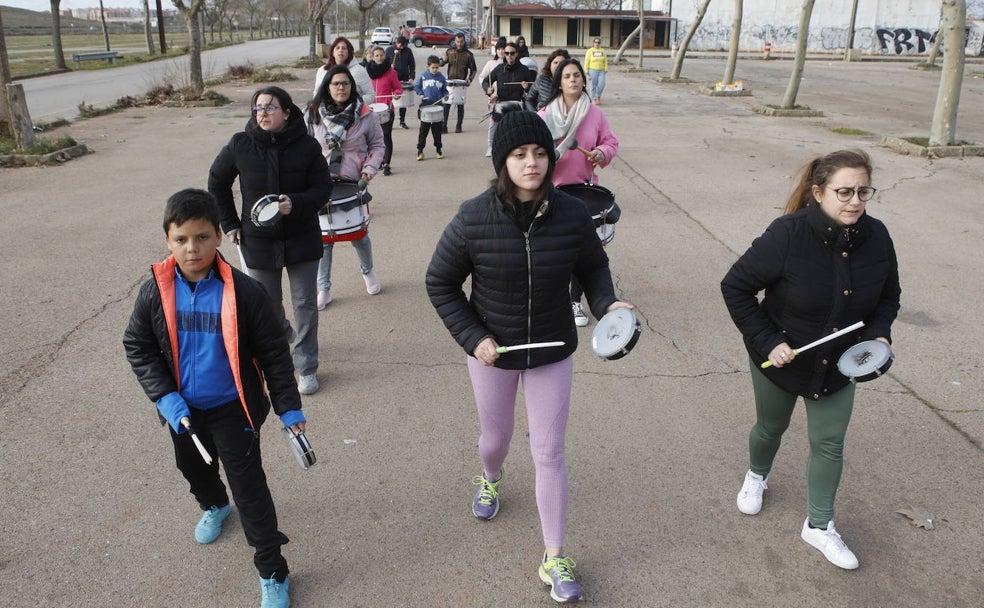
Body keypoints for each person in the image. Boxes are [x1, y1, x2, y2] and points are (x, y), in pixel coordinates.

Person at [425, 110, 634, 604]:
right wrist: (474, 337)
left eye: (540, 153)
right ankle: (491, 477)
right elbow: (440, 282)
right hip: (491, 353)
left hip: (551, 350)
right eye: (519, 155)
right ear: (503, 161)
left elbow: (593, 270)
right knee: (494, 439)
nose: (532, 163)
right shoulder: (473, 215)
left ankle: (554, 554)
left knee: (548, 452)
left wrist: (608, 305)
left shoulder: (571, 214)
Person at [123, 188, 307, 608]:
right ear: (168, 240)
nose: (193, 248)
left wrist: (289, 408)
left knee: (250, 489)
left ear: (220, 236)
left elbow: (275, 354)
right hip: (182, 411)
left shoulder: (244, 292)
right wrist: (166, 399)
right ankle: (214, 503)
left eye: (202, 237)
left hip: (233, 410)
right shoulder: (154, 289)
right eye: (182, 239)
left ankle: (273, 570)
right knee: (191, 466)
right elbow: (138, 345)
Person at [721, 149, 901, 570]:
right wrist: (768, 341)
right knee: (771, 427)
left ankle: (819, 526)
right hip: (781, 358)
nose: (854, 201)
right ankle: (757, 475)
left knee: (829, 443)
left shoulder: (878, 236)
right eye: (844, 191)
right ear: (818, 192)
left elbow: (888, 296)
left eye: (863, 191)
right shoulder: (787, 234)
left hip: (840, 364)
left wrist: (878, 335)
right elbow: (736, 287)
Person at [208, 86, 331, 395]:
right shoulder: (241, 144)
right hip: (258, 241)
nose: (262, 113)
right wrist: (231, 224)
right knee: (266, 306)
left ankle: (305, 367)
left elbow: (322, 188)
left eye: (270, 107)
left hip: (302, 237)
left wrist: (297, 203)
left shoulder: (307, 146)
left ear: (287, 112)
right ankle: (284, 336)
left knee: (304, 304)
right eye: (257, 108)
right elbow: (217, 182)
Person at [539, 58, 619, 327]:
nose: (572, 79)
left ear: (584, 80)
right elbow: (533, 150)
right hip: (552, 192)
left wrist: (601, 152)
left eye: (576, 75)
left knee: (581, 252)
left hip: (584, 191)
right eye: (567, 76)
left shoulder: (595, 114)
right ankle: (554, 297)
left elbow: (610, 142)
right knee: (555, 252)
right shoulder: (544, 114)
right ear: (559, 83)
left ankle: (574, 301)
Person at [306, 65, 385, 307]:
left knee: (359, 235)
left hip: (353, 182)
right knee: (323, 241)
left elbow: (378, 145)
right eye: (336, 83)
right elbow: (302, 146)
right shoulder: (312, 114)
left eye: (345, 83)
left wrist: (368, 170)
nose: (341, 87)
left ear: (352, 87)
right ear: (327, 87)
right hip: (320, 185)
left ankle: (368, 272)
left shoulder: (366, 114)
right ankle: (323, 289)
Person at [483, 42, 535, 157]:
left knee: (520, 126)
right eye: (507, 53)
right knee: (494, 122)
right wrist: (488, 89)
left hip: (518, 102)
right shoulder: (499, 68)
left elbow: (532, 89)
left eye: (512, 53)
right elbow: (486, 81)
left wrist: (527, 87)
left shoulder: (524, 70)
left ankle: (518, 147)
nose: (509, 56)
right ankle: (491, 147)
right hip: (501, 101)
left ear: (516, 54)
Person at [366, 45, 402, 176]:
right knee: (373, 138)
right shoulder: (367, 71)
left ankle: (387, 164)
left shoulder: (391, 72)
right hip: (370, 110)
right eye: (376, 55)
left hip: (386, 108)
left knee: (386, 136)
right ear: (372, 57)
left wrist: (397, 93)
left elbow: (398, 88)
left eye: (381, 55)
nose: (379, 58)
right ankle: (378, 161)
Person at [315, 36, 374, 105]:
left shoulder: (359, 71)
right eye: (337, 48)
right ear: (332, 52)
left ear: (349, 52)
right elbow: (316, 94)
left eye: (344, 48)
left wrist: (353, 105)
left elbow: (370, 95)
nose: (340, 50)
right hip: (326, 113)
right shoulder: (322, 71)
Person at [440, 32, 478, 134]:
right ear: (455, 41)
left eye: (461, 42)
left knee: (460, 105)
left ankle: (459, 125)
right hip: (450, 82)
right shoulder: (449, 51)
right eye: (457, 41)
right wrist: (443, 60)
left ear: (464, 41)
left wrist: (470, 79)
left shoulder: (469, 54)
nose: (459, 44)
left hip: (461, 83)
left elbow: (474, 70)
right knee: (446, 104)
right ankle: (444, 125)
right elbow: (441, 64)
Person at [414, 55, 448, 161]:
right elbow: (416, 86)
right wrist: (420, 94)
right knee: (423, 130)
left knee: (437, 131)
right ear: (428, 66)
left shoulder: (441, 77)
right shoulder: (424, 75)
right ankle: (420, 151)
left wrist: (446, 95)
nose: (435, 69)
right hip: (426, 105)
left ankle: (438, 149)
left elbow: (444, 90)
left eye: (437, 67)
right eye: (433, 67)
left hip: (438, 106)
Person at [386, 35, 416, 129]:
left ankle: (402, 121)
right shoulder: (389, 50)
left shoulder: (408, 51)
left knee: (403, 102)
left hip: (404, 78)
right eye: (400, 45)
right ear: (396, 43)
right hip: (392, 79)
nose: (402, 48)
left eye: (404, 46)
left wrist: (412, 76)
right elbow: (384, 63)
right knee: (392, 102)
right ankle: (390, 121)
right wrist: (388, 68)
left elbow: (412, 65)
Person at [583, 38, 608, 105]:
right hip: (592, 70)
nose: (597, 44)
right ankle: (593, 98)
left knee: (602, 84)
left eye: (598, 42)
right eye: (595, 42)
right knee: (593, 85)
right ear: (593, 43)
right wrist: (586, 72)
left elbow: (605, 60)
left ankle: (598, 96)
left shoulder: (603, 51)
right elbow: (586, 61)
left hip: (601, 70)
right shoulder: (590, 51)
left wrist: (606, 68)